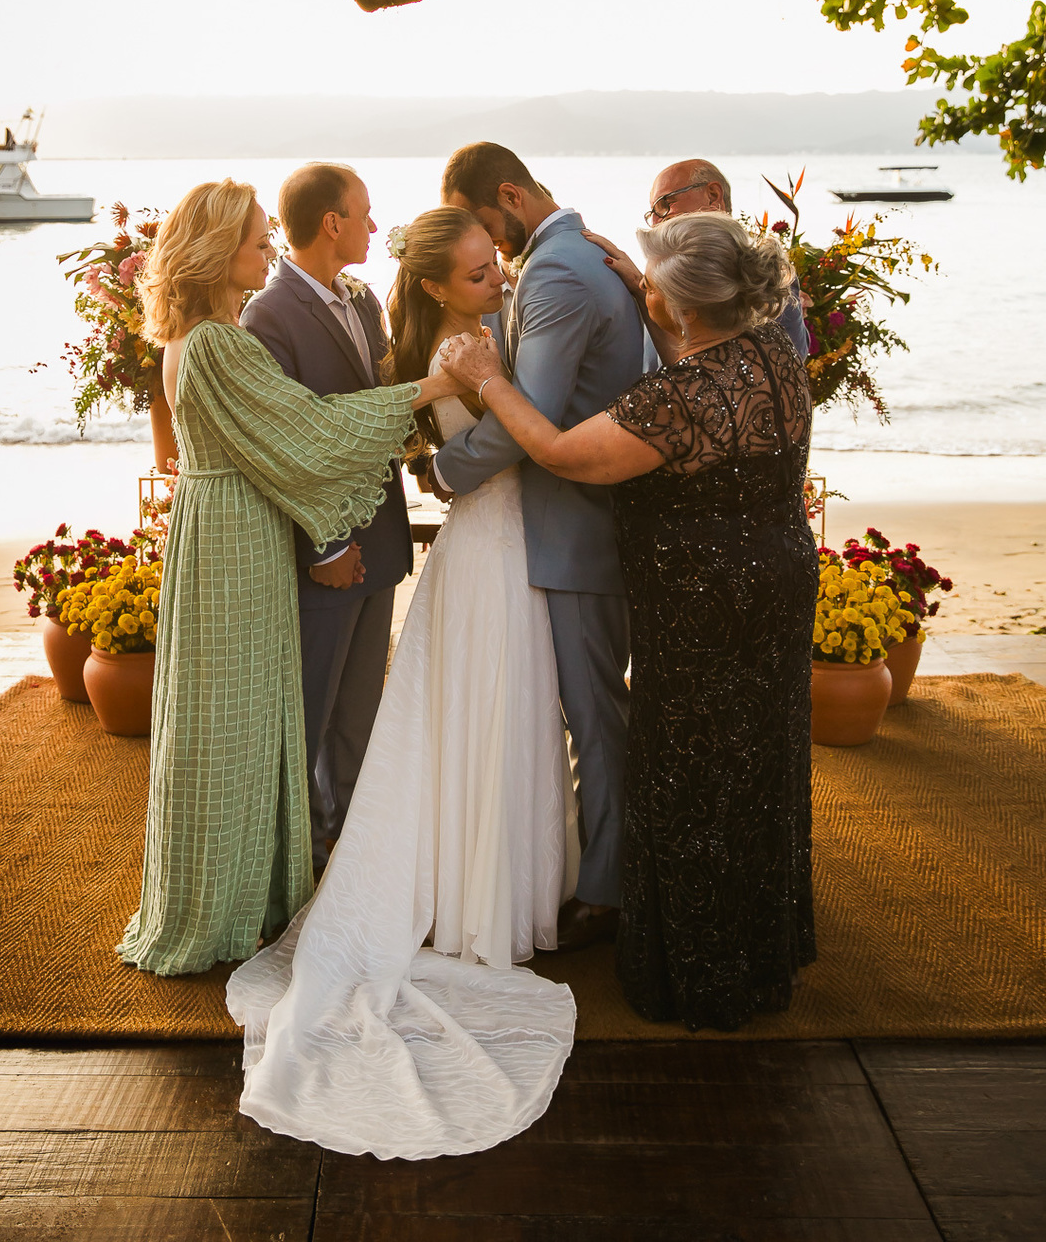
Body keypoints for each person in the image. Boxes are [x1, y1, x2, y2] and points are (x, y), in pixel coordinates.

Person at [226, 207, 578, 1159]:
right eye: (477, 273)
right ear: (433, 287)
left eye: (495, 263)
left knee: (512, 717)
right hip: (486, 551)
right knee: (473, 714)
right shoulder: (447, 354)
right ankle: (471, 902)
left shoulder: (490, 332)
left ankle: (512, 885)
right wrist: (473, 416)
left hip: (515, 546)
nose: (498, 280)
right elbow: (471, 459)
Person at [442, 210, 819, 1033]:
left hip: (702, 606)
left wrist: (490, 379)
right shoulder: (773, 355)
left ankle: (702, 970)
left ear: (683, 306)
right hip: (781, 581)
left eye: (655, 283)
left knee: (691, 771)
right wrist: (653, 297)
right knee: (761, 754)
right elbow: (707, 369)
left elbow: (558, 451)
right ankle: (763, 949)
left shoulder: (674, 401)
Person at [119, 179, 453, 977]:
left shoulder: (195, 338)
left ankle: (231, 891)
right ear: (216, 250)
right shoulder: (219, 343)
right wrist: (438, 386)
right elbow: (313, 432)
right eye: (257, 239)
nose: (269, 249)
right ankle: (233, 906)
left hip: (219, 532)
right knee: (240, 723)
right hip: (235, 543)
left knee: (226, 720)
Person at [431, 142, 647, 950]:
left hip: (576, 530)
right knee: (588, 710)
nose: (488, 246)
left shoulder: (556, 273)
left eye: (485, 226)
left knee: (594, 716)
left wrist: (446, 468)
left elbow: (534, 419)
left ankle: (607, 892)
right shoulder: (575, 254)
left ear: (511, 196)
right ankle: (584, 869)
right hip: (582, 525)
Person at [242, 163, 413, 875]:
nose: (374, 226)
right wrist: (325, 546)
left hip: (381, 537)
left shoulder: (363, 300)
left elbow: (378, 405)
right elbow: (287, 444)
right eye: (363, 214)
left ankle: (350, 856)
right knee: (311, 712)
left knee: (361, 713)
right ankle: (299, 863)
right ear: (331, 223)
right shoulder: (268, 315)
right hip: (326, 552)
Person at [644, 158, 809, 359]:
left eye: (665, 204)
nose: (655, 221)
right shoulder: (661, 272)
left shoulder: (762, 272)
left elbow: (789, 359)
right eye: (652, 212)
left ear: (713, 196)